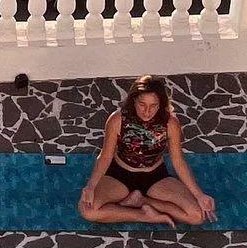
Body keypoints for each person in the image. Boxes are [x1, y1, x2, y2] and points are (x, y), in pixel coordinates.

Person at [78, 75, 217, 227]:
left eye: (153, 106)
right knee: (87, 210)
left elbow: (178, 160)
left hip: (155, 176)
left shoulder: (170, 123)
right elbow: (105, 156)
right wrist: (91, 186)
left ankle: (142, 201)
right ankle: (143, 215)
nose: (147, 111)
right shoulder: (117, 120)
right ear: (133, 101)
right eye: (142, 104)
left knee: (196, 216)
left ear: (161, 104)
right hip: (120, 174)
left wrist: (199, 195)